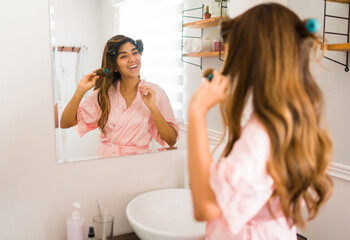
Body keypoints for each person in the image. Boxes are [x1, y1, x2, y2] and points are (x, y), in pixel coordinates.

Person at [187, 3, 333, 240]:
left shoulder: (260, 135)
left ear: (251, 60)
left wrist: (196, 112)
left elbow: (206, 208)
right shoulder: (293, 118)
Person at [60, 35, 178, 157]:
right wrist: (80, 90)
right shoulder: (105, 94)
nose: (132, 59)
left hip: (139, 164)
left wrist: (152, 107)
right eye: (124, 56)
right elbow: (65, 123)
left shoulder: (155, 92)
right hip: (107, 161)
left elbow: (171, 140)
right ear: (114, 66)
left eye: (134, 53)